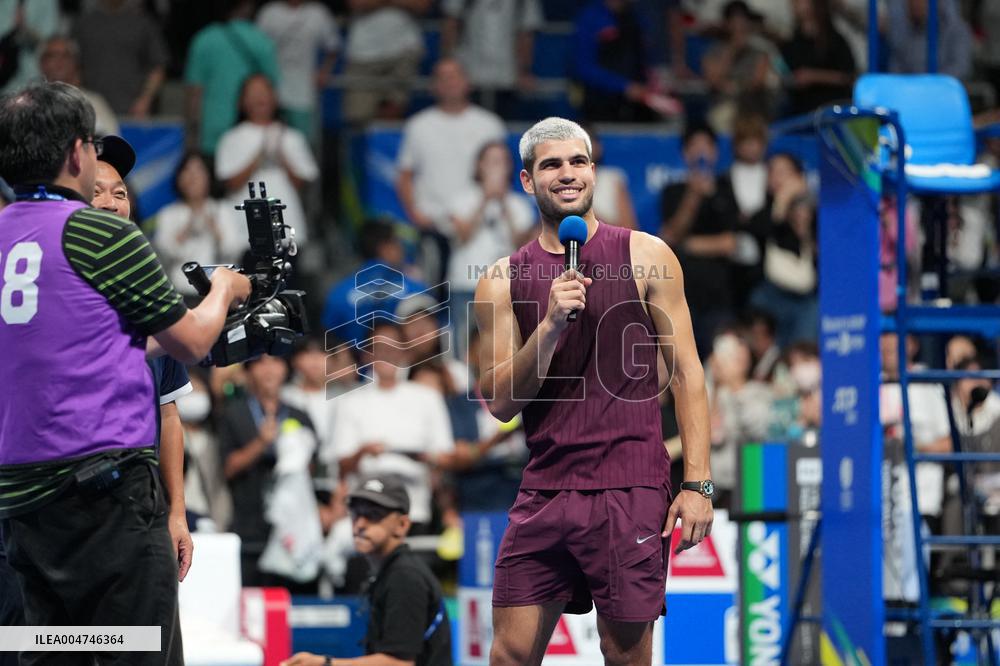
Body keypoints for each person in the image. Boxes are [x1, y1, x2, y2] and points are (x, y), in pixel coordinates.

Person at [0, 81, 250, 665]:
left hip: (26, 509)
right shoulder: (101, 235)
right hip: (104, 502)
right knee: (136, 651)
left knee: (54, 651)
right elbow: (189, 342)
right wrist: (223, 290)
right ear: (75, 155)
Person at [474, 117, 713, 664]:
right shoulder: (501, 278)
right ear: (528, 181)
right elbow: (502, 403)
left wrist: (699, 483)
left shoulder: (649, 254)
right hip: (545, 487)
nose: (567, 174)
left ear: (593, 172)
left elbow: (689, 374)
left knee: (623, 653)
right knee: (509, 655)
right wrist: (551, 326)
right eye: (551, 165)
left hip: (630, 487)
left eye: (578, 162)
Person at [91, 133, 195, 583]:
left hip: (138, 510)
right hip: (62, 514)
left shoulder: (152, 294)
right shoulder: (44, 291)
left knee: (143, 646)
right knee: (43, 647)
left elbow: (168, 413)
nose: (112, 203)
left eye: (120, 193)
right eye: (94, 192)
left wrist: (177, 513)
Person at [281, 475, 453, 666]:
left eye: (373, 515)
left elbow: (399, 664)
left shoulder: (405, 577)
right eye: (356, 513)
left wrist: (325, 664)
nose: (360, 524)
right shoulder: (390, 570)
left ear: (402, 525)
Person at [395, 58, 506, 284]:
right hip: (435, 224)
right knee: (433, 293)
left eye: (455, 76)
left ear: (467, 82)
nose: (449, 83)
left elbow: (502, 169)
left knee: (484, 291)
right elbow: (405, 175)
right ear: (433, 85)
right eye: (442, 78)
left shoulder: (490, 125)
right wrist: (415, 214)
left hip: (478, 224)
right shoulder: (418, 125)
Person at [216, 73, 318, 245]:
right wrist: (260, 155)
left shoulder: (292, 136)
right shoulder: (231, 138)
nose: (259, 97)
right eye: (253, 93)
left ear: (275, 97)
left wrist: (281, 154)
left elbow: (304, 184)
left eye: (264, 91)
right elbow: (230, 183)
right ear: (241, 101)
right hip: (244, 232)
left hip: (287, 229)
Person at [184, 0, 280, 155]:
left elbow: (194, 94)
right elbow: (272, 91)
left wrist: (191, 138)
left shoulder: (203, 40)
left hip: (211, 132)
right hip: (251, 135)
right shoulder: (262, 41)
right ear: (248, 6)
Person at [153, 151, 243, 297]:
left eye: (199, 171)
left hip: (217, 290)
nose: (193, 177)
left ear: (209, 177)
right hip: (180, 290)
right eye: (187, 171)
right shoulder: (168, 213)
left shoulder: (223, 209)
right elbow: (164, 252)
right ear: (179, 178)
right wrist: (186, 228)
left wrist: (215, 228)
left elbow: (234, 250)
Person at [38, 35, 119, 137]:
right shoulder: (30, 104)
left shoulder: (94, 103)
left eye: (66, 56)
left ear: (75, 62)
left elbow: (110, 142)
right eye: (53, 55)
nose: (60, 61)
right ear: (42, 63)